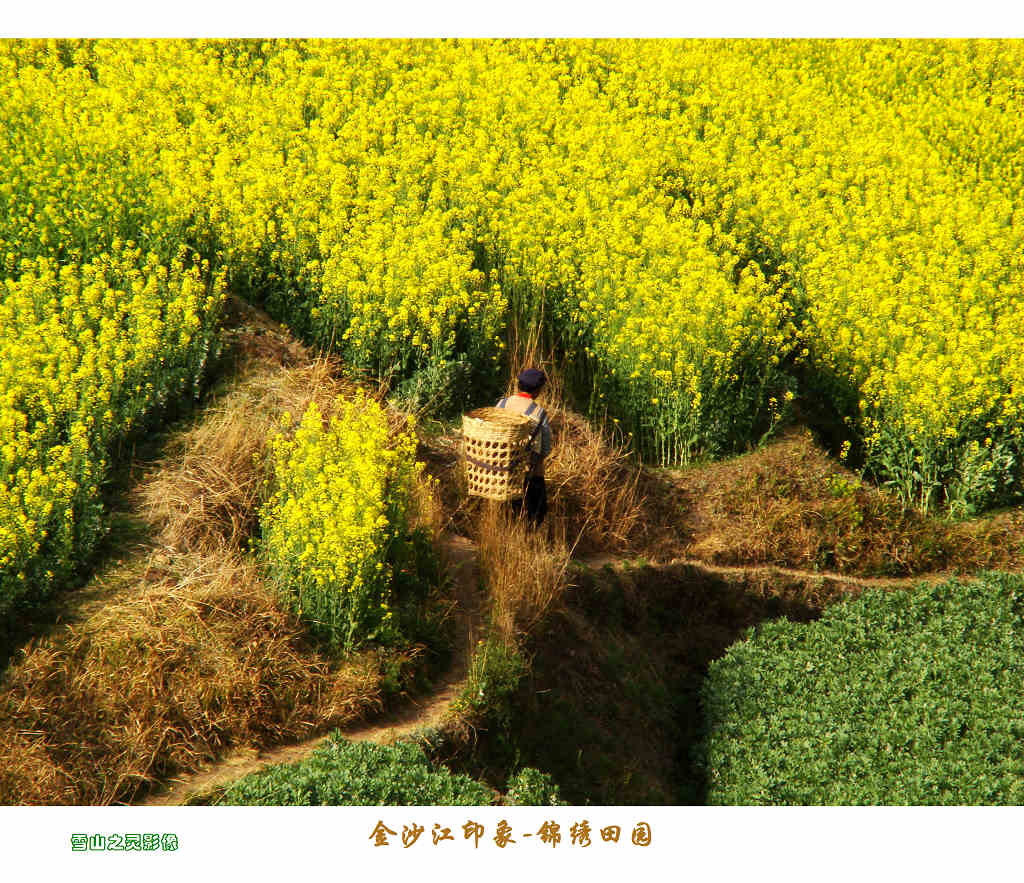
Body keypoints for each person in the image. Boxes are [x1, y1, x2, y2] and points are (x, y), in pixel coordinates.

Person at [495, 367, 552, 528]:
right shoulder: (538, 412)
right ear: (537, 391)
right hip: (526, 471)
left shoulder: (502, 403)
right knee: (536, 512)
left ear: (518, 385)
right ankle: (528, 536)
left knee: (507, 511)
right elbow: (545, 448)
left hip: (499, 467)